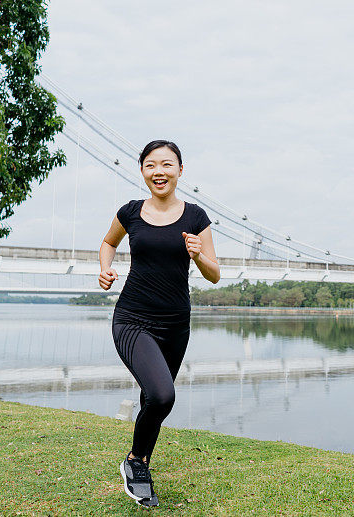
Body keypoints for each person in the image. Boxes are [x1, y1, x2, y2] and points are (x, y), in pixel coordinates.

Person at [98, 140, 219, 507]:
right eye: (151, 165)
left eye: (167, 164)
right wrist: (104, 268)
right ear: (142, 171)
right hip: (133, 318)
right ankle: (135, 462)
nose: (159, 171)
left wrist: (198, 255)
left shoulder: (196, 217)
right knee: (163, 395)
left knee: (152, 398)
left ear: (181, 171)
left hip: (176, 324)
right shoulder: (130, 212)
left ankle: (141, 466)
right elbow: (108, 242)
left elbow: (214, 275)